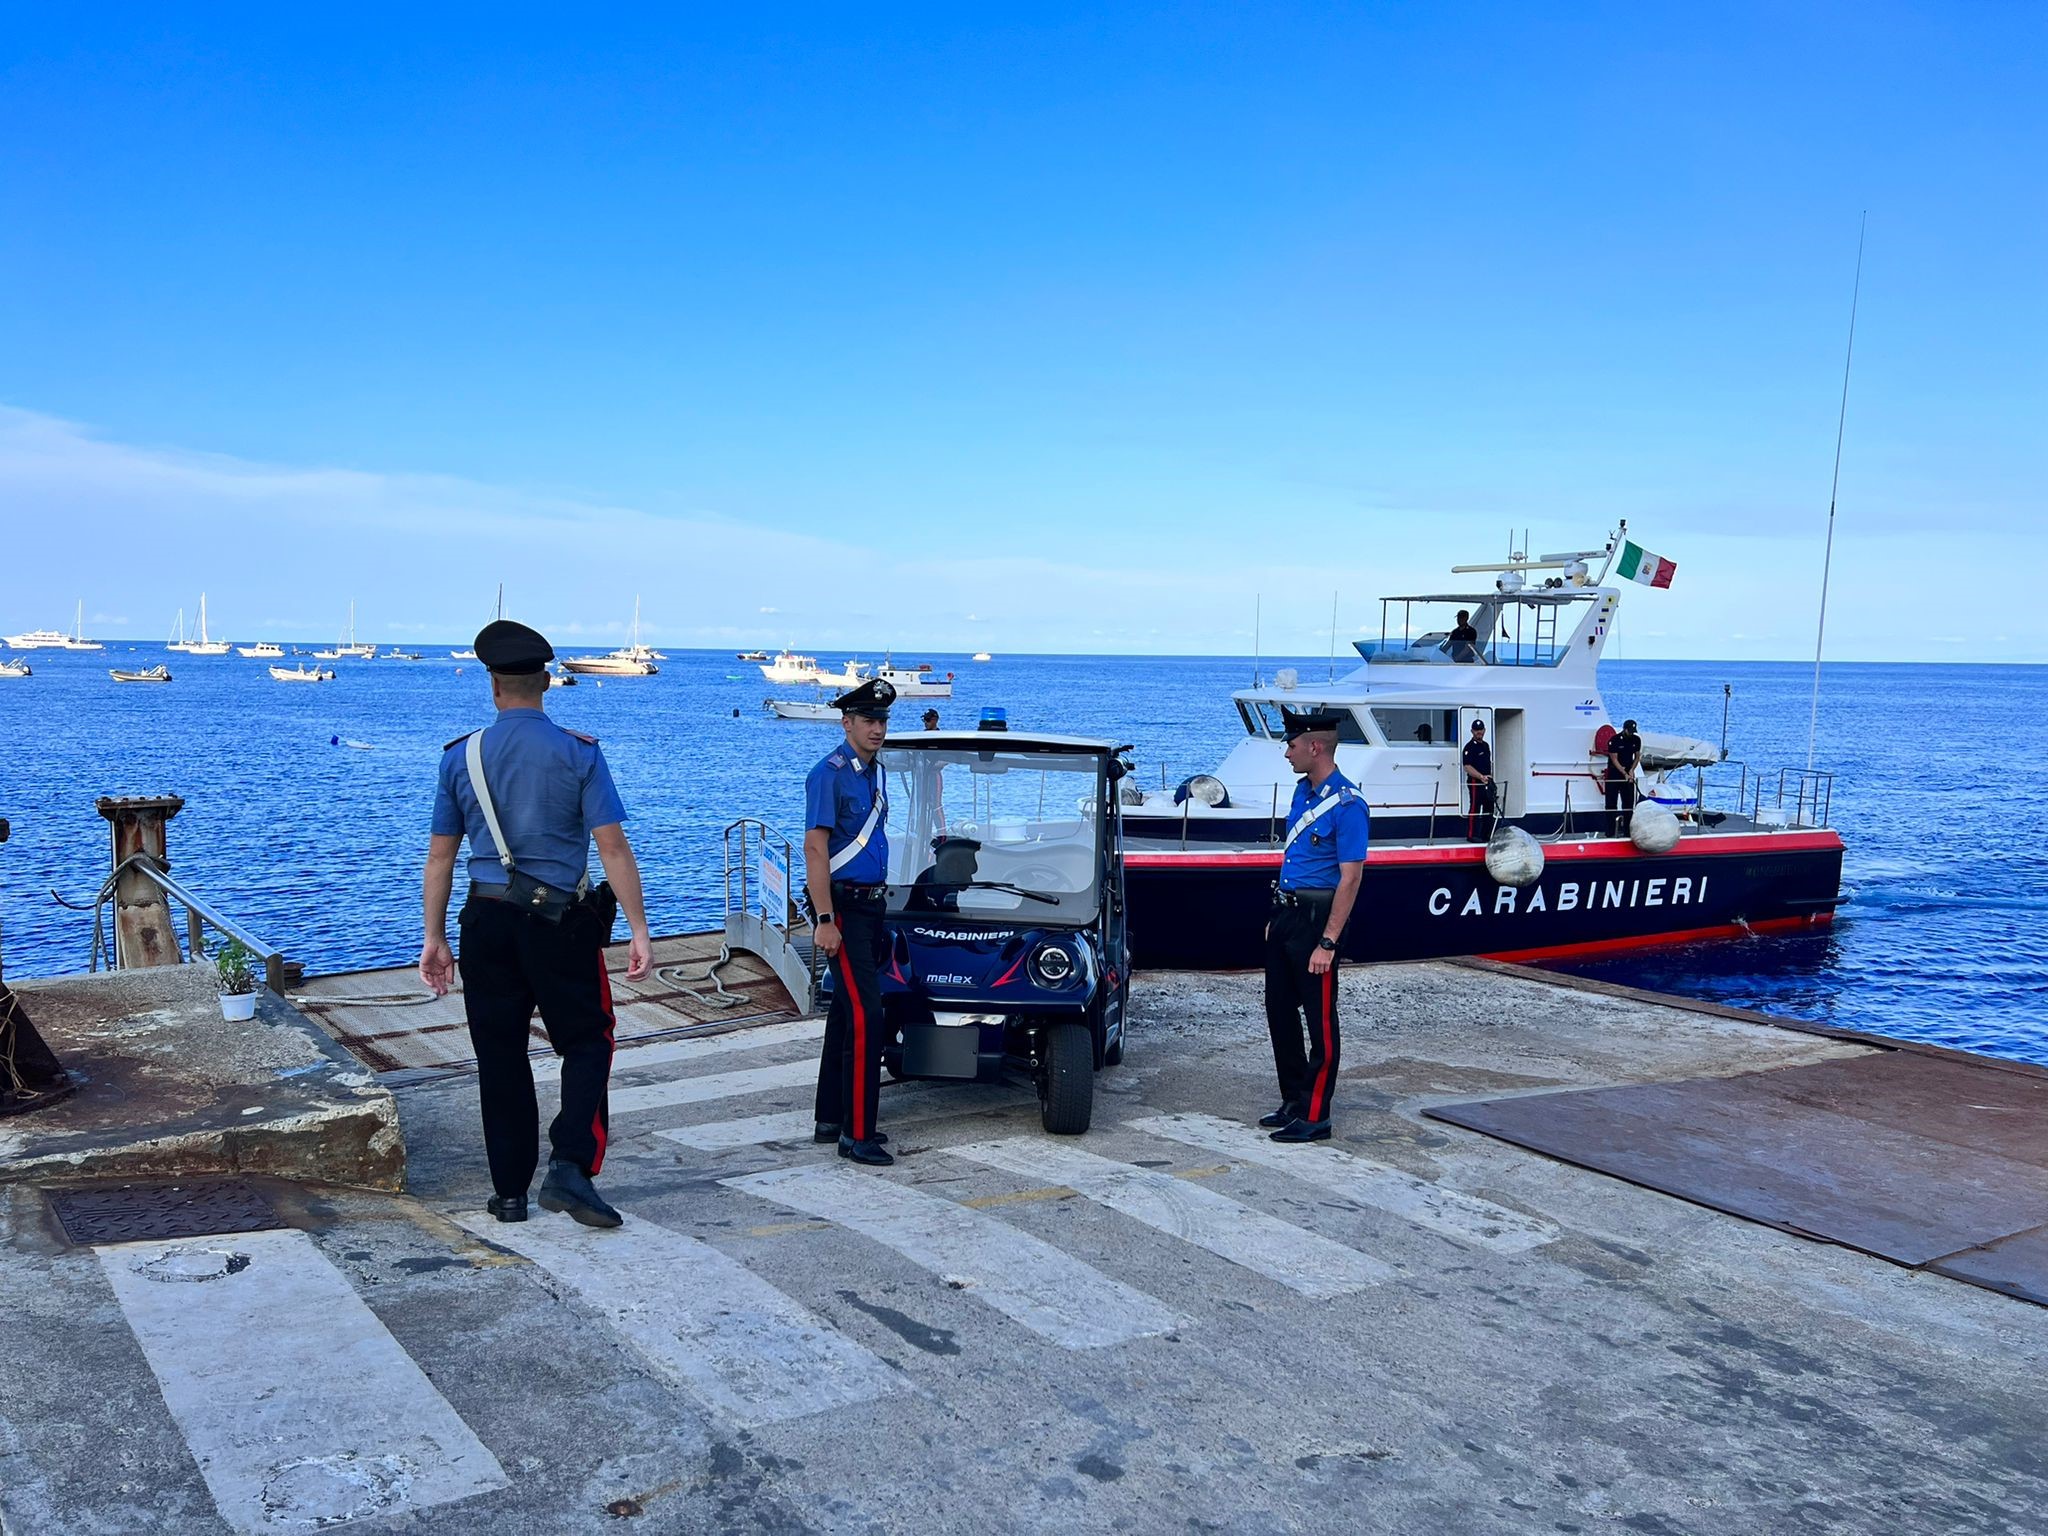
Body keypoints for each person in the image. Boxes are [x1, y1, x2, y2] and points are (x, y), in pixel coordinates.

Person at [419, 620, 653, 1228]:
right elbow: (612, 847)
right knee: (587, 1040)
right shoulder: (579, 752)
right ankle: (571, 1167)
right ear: (546, 683)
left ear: (493, 686)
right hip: (558, 922)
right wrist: (639, 929)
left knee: (499, 1054)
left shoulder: (460, 757)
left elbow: (441, 856)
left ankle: (509, 1194)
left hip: (485, 920)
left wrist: (434, 937)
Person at [1260, 708, 1370, 1144]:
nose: (1287, 752)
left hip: (1316, 922)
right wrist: (1276, 919)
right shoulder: (1301, 793)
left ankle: (1316, 1114)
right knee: (1280, 1012)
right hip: (1287, 915)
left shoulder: (1348, 805)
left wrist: (1328, 941)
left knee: (1320, 1020)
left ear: (1315, 746)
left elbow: (1351, 877)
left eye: (1291, 745)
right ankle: (1293, 1101)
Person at [804, 676, 899, 1167]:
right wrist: (824, 918)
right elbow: (815, 848)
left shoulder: (875, 772)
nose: (877, 727)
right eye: (868, 720)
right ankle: (856, 1134)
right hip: (842, 905)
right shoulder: (831, 773)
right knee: (868, 1015)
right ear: (847, 723)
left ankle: (831, 1117)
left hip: (870, 905)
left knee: (845, 1013)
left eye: (882, 720)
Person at [1604, 718, 1644, 836]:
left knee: (1628, 803)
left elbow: (1637, 757)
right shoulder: (1614, 740)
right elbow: (1614, 759)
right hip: (1614, 774)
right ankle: (1610, 831)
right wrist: (1624, 773)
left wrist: (1631, 770)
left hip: (1628, 772)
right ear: (1624, 729)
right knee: (1611, 804)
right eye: (1629, 731)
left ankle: (1627, 831)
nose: (1631, 733)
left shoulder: (1636, 740)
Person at [1462, 719, 1496, 841]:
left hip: (1487, 781)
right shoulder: (1469, 747)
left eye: (1481, 730)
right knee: (1475, 807)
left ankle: (1486, 834)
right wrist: (1481, 777)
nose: (1479, 732)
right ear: (1472, 731)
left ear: (1484, 730)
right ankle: (1472, 835)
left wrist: (1489, 778)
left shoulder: (1486, 746)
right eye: (1476, 730)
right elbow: (1467, 766)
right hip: (1476, 782)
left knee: (1489, 808)